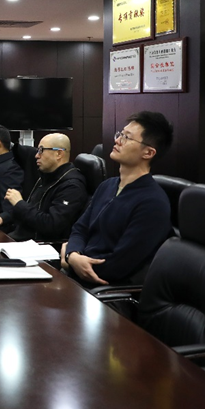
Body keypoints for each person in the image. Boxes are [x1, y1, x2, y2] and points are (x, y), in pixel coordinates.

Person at [62, 111, 174, 287]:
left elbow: (118, 266)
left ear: (148, 152)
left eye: (127, 138)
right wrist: (73, 254)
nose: (117, 141)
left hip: (100, 289)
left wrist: (72, 262)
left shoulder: (153, 203)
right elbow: (80, 229)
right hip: (74, 276)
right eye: (120, 134)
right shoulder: (107, 185)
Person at [0, 133, 88, 241]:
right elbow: (33, 209)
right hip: (21, 239)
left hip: (38, 245)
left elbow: (51, 225)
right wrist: (4, 218)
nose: (36, 155)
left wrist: (19, 204)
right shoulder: (47, 176)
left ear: (59, 154)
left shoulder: (71, 186)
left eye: (41, 150)